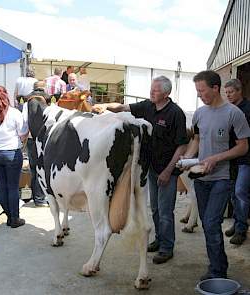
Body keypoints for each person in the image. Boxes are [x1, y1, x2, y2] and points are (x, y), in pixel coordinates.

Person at [93, 76, 188, 264]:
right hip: (151, 168)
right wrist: (105, 107)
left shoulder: (176, 113)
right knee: (154, 208)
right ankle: (159, 240)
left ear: (166, 93)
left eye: (156, 90)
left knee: (166, 210)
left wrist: (168, 171)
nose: (151, 92)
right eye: (151, 89)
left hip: (167, 170)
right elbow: (123, 107)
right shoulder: (148, 106)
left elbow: (181, 146)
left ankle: (167, 248)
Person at [184, 70, 250, 281]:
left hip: (223, 177)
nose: (199, 94)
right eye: (197, 91)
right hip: (201, 178)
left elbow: (243, 147)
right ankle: (218, 263)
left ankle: (218, 271)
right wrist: (186, 158)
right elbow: (196, 139)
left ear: (215, 88)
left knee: (211, 223)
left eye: (202, 90)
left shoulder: (234, 113)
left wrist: (216, 158)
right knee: (206, 222)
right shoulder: (200, 113)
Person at [0, 86, 28, 228]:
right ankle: (14, 218)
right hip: (12, 153)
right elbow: (22, 133)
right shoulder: (15, 113)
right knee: (13, 187)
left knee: (2, 187)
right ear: (7, 95)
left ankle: (9, 215)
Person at [224, 78, 250, 245]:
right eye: (226, 93)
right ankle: (237, 221)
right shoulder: (228, 110)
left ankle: (241, 229)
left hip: (246, 158)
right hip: (231, 158)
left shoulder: (248, 109)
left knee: (240, 192)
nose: (228, 95)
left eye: (231, 92)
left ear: (239, 90)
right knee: (233, 193)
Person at [22, 81, 51, 207]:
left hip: (31, 138)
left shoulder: (27, 100)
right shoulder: (47, 99)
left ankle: (37, 197)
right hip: (45, 137)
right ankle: (41, 198)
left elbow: (24, 122)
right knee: (44, 167)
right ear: (44, 89)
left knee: (35, 168)